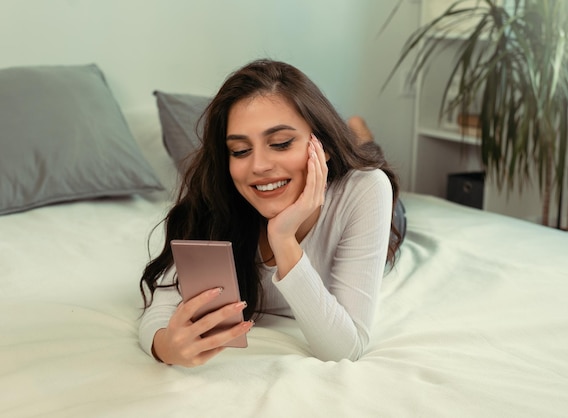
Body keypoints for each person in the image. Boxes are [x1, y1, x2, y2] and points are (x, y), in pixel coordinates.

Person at [139, 59, 403, 366]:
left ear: (323, 144)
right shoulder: (217, 198)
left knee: (377, 174)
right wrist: (165, 347)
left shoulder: (366, 189)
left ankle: (360, 135)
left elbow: (346, 349)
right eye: (240, 150)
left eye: (280, 143)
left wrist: (283, 239)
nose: (259, 166)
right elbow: (160, 310)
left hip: (369, 197)